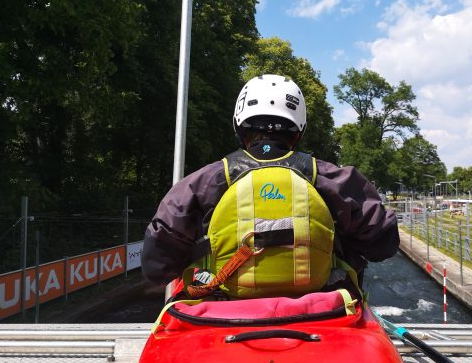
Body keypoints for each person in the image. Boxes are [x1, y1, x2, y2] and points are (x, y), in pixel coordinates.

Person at [141, 74, 400, 300]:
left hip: (224, 309)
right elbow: (384, 243)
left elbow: (156, 266)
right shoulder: (334, 179)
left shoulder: (203, 182)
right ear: (297, 132)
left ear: (240, 127)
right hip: (320, 308)